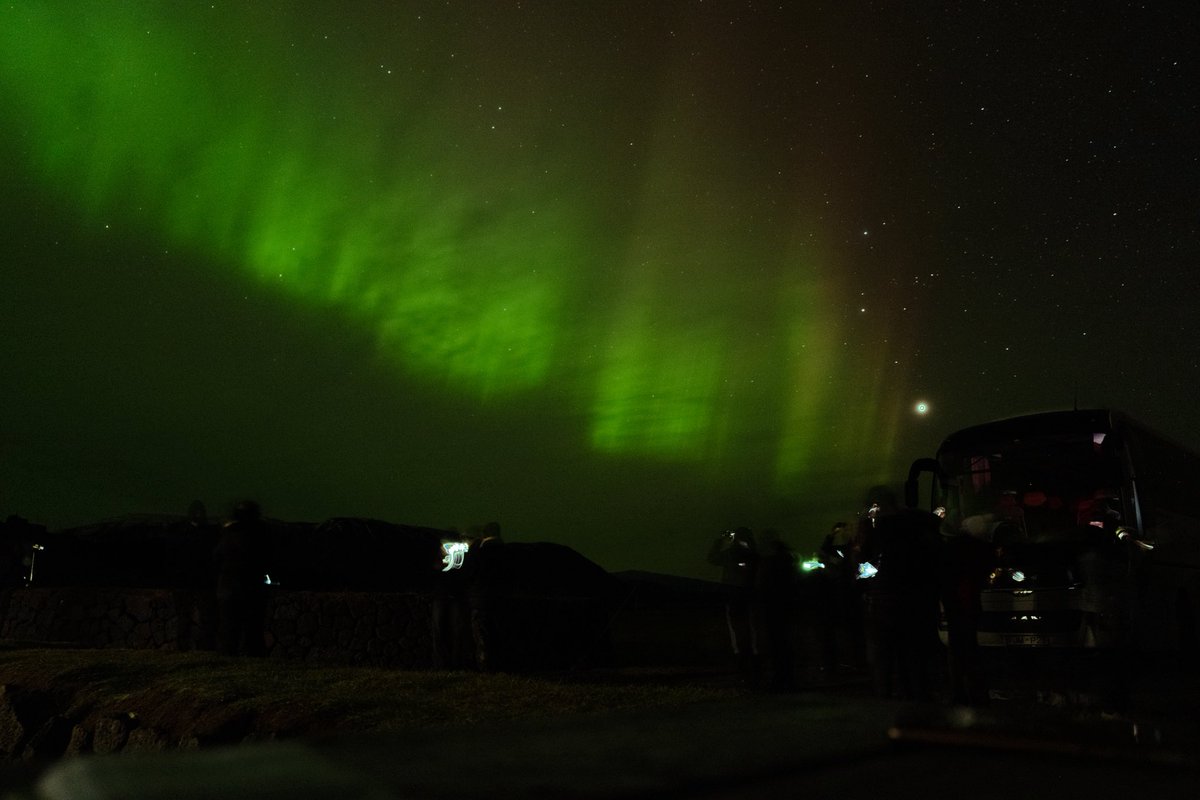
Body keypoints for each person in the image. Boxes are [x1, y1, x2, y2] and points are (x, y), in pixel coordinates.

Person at [855, 486, 942, 701]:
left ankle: (894, 695)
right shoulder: (920, 521)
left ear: (878, 504)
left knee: (888, 651)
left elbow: (864, 558)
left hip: (889, 598)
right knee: (915, 650)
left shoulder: (879, 529)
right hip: (919, 596)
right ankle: (920, 693)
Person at [213, 500, 270, 656]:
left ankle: (227, 656)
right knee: (252, 627)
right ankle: (253, 655)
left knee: (229, 627)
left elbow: (217, 559)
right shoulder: (259, 534)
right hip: (250, 587)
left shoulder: (228, 534)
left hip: (228, 588)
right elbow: (266, 560)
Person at [708, 527, 760, 685]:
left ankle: (745, 663)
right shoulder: (754, 553)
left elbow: (713, 558)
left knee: (739, 629)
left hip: (736, 595)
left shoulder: (734, 552)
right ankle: (751, 662)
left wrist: (721, 542)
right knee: (749, 629)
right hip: (747, 595)